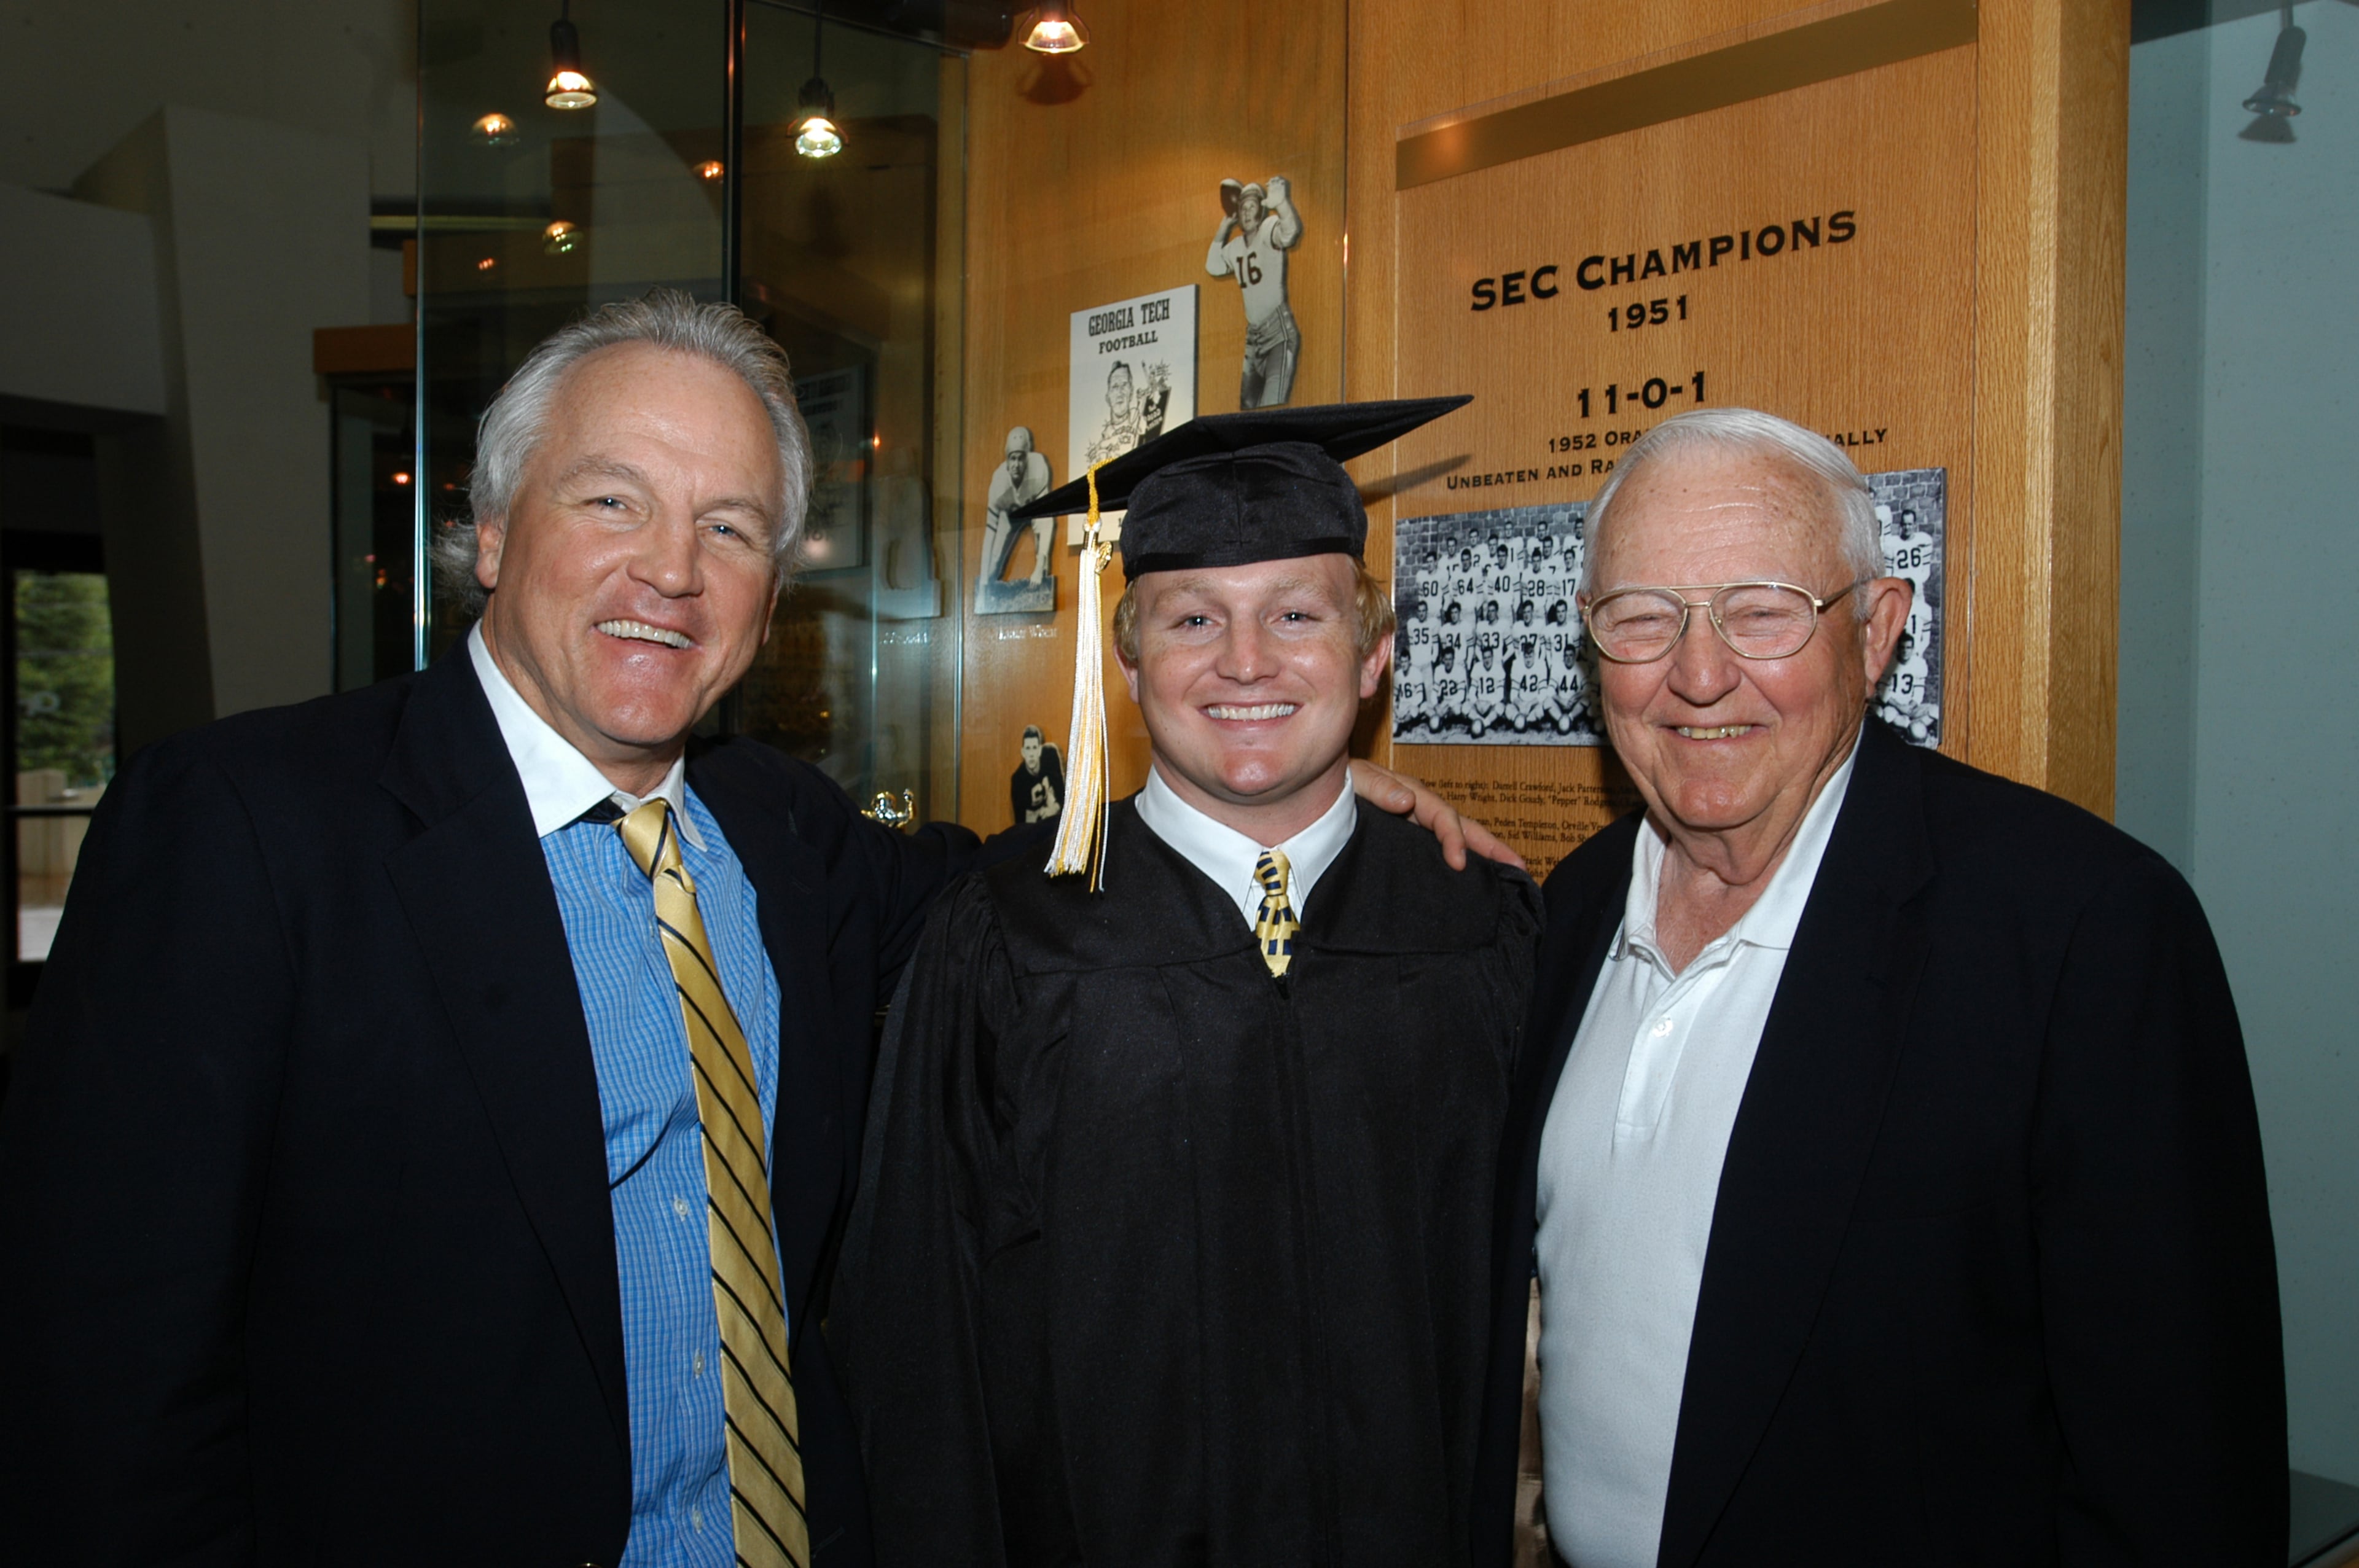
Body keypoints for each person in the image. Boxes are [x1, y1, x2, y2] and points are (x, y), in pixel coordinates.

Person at [0, 292, 1504, 1568]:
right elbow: (100, 1365)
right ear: (488, 529)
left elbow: (1027, 899)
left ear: (772, 592)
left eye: (727, 525)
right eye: (613, 500)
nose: (671, 568)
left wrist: (1285, 778)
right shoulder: (248, 829)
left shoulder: (785, 834)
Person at [1473, 408, 2285, 1567]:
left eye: (1763, 612)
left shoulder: (2081, 931)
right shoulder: (1572, 906)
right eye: (1644, 616)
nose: (1698, 675)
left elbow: (2182, 1471)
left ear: (1876, 632)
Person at [834, 397, 1541, 1568]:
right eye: (1194, 617)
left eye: (1297, 614)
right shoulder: (1007, 935)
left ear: (1374, 654)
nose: (1245, 660)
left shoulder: (1480, 925)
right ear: (1128, 662)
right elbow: (917, 1333)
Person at [1206, 176, 1304, 408]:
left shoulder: (1268, 229)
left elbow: (1289, 232)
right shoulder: (1236, 247)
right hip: (1253, 338)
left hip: (1277, 331)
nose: (1247, 213)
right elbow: (1213, 265)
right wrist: (1225, 225)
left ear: (1260, 211)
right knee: (1248, 415)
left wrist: (1282, 205)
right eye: (1243, 208)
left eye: (1252, 207)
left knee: (1272, 407)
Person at [980, 425, 1053, 588]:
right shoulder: (999, 485)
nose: (1017, 464)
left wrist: (1039, 565)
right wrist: (984, 579)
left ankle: (1041, 570)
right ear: (1007, 461)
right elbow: (990, 534)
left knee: (1043, 557)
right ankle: (989, 580)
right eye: (1013, 459)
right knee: (994, 563)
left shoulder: (1038, 470)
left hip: (1033, 508)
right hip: (1010, 515)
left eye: (1021, 458)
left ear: (1027, 459)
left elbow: (1047, 521)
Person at [1008, 724, 1063, 825]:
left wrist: (1054, 809)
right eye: (1028, 748)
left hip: (1055, 822)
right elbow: (1020, 824)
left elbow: (1063, 795)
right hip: (1034, 828)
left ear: (1040, 750)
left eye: (1034, 748)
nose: (1031, 754)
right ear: (1023, 752)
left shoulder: (1050, 756)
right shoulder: (1018, 780)